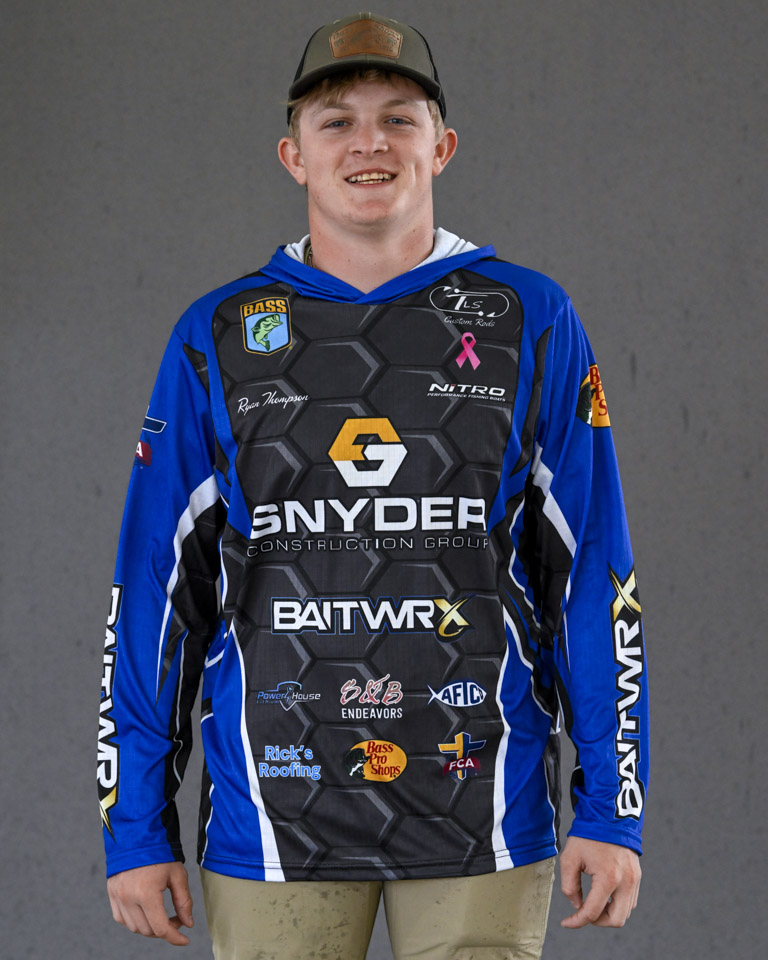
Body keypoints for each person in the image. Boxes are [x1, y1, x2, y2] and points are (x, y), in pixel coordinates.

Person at [99, 12, 648, 959]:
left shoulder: (529, 316)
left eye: (399, 118)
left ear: (443, 146)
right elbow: (156, 590)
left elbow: (593, 575)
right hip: (272, 816)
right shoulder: (218, 333)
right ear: (293, 156)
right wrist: (134, 825)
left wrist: (613, 805)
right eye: (336, 122)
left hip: (483, 808)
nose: (369, 144)